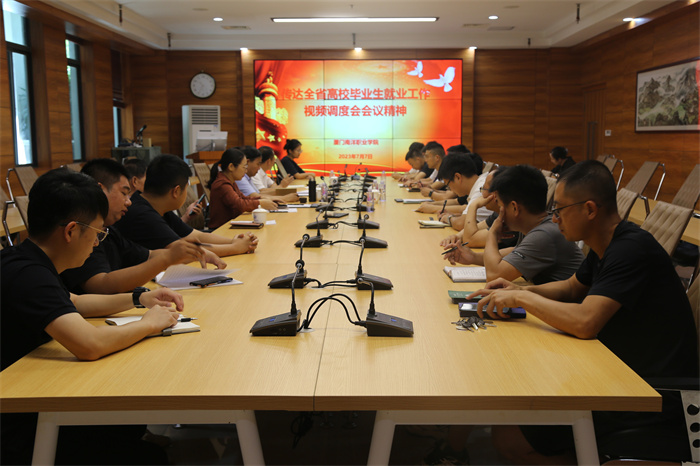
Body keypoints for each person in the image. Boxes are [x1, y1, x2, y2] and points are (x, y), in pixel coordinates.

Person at [471, 160, 698, 464]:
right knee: (514, 415)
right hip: (615, 372)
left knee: (509, 437)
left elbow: (585, 322)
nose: (554, 218)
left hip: (649, 394)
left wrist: (522, 299)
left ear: (590, 209)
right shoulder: (607, 243)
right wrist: (517, 290)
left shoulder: (630, 249)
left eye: (560, 210)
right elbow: (571, 288)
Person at [1, 168, 183, 465]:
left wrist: (138, 298)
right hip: (18, 425)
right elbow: (90, 344)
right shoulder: (29, 275)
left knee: (128, 428)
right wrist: (148, 324)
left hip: (30, 396)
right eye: (98, 234)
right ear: (71, 231)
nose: (98, 243)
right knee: (146, 455)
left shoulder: (27, 259)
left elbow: (74, 302)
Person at [61, 158, 225, 294]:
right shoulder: (82, 230)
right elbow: (100, 284)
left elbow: (149, 255)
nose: (128, 202)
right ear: (99, 190)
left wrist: (192, 253)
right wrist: (167, 258)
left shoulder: (109, 230)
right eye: (124, 193)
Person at [114, 154, 259, 255]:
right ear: (176, 191)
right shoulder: (142, 214)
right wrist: (235, 248)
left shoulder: (157, 207)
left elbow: (195, 235)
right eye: (186, 188)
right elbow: (184, 250)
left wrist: (233, 241)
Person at [207, 148, 278, 229]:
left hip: (230, 226)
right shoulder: (222, 184)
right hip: (221, 229)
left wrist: (263, 199)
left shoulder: (231, 181)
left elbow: (244, 198)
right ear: (231, 167)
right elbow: (239, 204)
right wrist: (260, 203)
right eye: (244, 167)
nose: (246, 170)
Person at [123, 156, 203, 225]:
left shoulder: (160, 208)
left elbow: (173, 231)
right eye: (146, 177)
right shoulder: (142, 212)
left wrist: (186, 217)